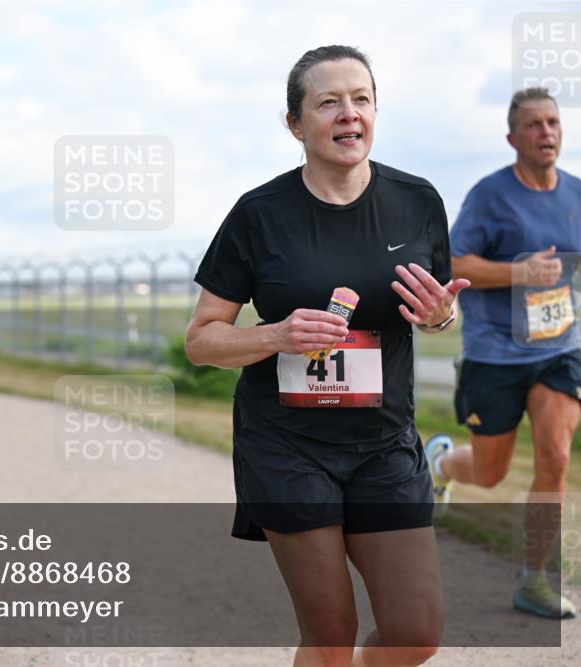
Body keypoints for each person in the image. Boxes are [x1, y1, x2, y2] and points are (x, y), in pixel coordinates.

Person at [185, 45, 469, 666]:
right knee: (330, 631)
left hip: (383, 443)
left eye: (361, 98)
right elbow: (201, 338)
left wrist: (441, 316)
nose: (349, 113)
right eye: (329, 101)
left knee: (415, 633)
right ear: (295, 123)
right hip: (286, 445)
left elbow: (444, 312)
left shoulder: (417, 201)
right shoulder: (259, 215)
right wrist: (275, 335)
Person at [426, 88, 580, 620]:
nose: (547, 132)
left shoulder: (577, 193)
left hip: (561, 349)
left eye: (553, 122)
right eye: (534, 125)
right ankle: (440, 464)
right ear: (513, 138)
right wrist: (520, 273)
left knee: (555, 457)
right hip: (495, 353)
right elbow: (453, 262)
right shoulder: (491, 196)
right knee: (490, 472)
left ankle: (533, 579)